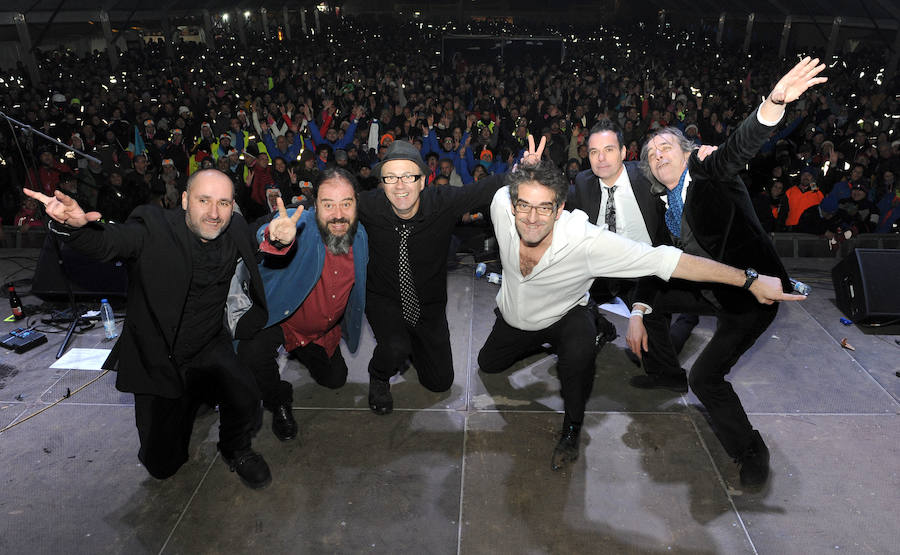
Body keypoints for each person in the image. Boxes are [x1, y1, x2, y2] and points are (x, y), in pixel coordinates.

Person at [478, 158, 805, 472]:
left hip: (565, 315)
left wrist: (748, 279)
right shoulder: (498, 205)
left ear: (560, 209)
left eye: (544, 207)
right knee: (487, 364)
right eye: (524, 205)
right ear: (512, 203)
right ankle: (587, 328)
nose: (532, 217)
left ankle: (572, 429)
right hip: (516, 318)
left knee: (576, 357)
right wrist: (526, 168)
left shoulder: (587, 241)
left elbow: (669, 261)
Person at [628, 57, 826, 486]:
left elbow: (740, 146)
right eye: (651, 154)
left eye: (666, 146)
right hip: (711, 289)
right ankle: (665, 373)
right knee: (646, 293)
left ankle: (750, 449)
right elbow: (658, 260)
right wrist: (639, 311)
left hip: (754, 295)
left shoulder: (710, 172)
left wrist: (774, 102)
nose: (658, 154)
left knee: (706, 378)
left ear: (687, 150)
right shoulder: (666, 210)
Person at [24, 170, 272, 490]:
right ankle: (189, 403)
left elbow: (259, 236)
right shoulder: (153, 229)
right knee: (162, 466)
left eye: (223, 202)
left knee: (247, 396)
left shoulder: (234, 228)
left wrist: (276, 236)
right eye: (203, 200)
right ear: (184, 200)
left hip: (210, 345)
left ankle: (235, 448)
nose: (214, 213)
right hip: (160, 356)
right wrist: (72, 227)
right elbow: (108, 242)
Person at [357, 140, 505, 415]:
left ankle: (412, 344)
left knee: (440, 383)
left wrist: (524, 170)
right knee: (395, 347)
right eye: (390, 177)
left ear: (423, 181)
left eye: (408, 176)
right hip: (383, 300)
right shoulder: (368, 205)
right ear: (382, 182)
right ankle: (379, 374)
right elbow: (327, 205)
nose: (400, 185)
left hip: (428, 306)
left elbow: (486, 187)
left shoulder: (442, 202)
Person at [237, 168, 368, 441]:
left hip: (320, 333)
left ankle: (301, 350)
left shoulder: (361, 237)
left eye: (346, 203)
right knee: (252, 354)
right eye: (327, 204)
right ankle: (278, 400)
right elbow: (272, 233)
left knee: (335, 380)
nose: (338, 214)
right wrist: (275, 237)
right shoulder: (304, 226)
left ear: (357, 202)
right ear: (314, 204)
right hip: (281, 320)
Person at [567, 119, 699, 362]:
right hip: (601, 271)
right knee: (562, 297)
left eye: (609, 150)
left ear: (624, 152)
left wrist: (702, 157)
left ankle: (687, 319)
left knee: (654, 356)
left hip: (644, 271)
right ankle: (601, 328)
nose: (601, 158)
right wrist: (529, 171)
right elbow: (551, 202)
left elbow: (680, 170)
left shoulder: (645, 175)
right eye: (594, 152)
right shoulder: (583, 183)